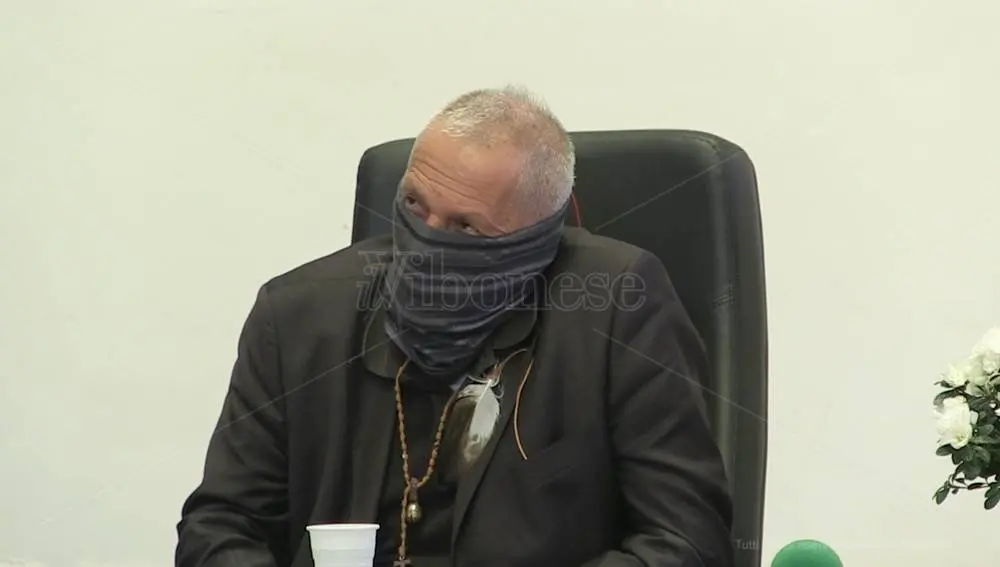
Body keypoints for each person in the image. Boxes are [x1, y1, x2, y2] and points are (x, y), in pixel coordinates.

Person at [175, 86, 733, 567]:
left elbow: (687, 541)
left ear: (537, 236)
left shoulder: (616, 310)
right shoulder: (297, 315)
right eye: (414, 207)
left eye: (465, 228)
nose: (427, 243)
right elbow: (220, 528)